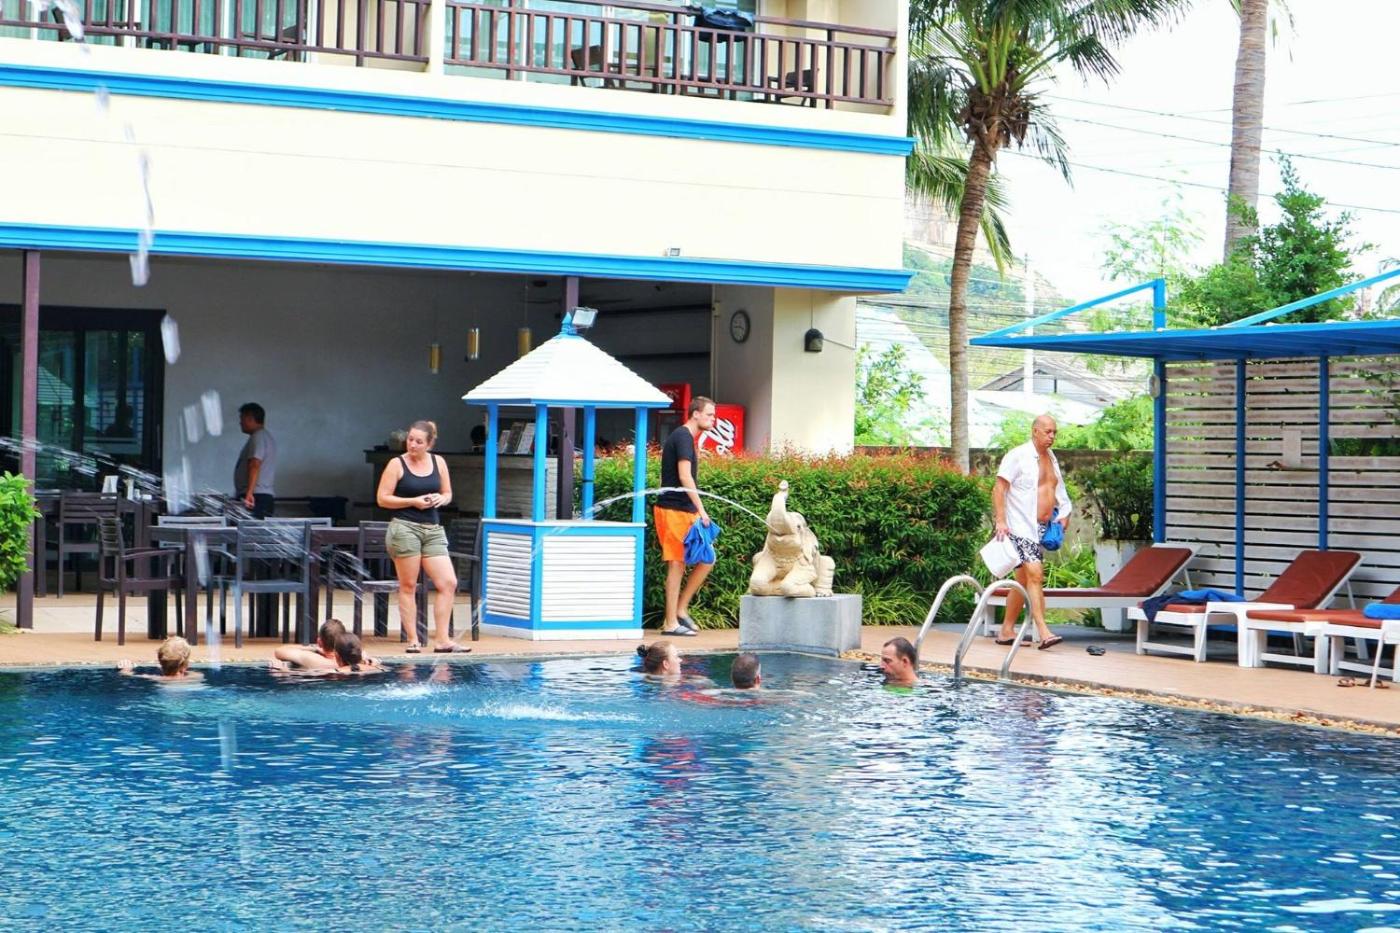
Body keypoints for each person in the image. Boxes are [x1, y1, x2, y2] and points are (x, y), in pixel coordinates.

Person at [375, 420, 467, 654]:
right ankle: (413, 640)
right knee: (408, 585)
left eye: (418, 441)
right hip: (405, 527)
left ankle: (443, 640)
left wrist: (441, 499)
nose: (412, 445)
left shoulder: (438, 462)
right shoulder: (397, 464)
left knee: (448, 582)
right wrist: (412, 501)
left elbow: (447, 492)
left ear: (429, 444)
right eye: (410, 439)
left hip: (433, 528)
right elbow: (383, 498)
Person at [992, 414, 1072, 651]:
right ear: (1035, 431)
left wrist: (1064, 512)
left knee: (1024, 579)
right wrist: (1001, 521)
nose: (1052, 436)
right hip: (1019, 526)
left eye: (1054, 432)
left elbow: (1057, 489)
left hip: (1042, 528)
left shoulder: (1051, 458)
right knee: (1035, 574)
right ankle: (1044, 632)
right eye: (1048, 432)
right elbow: (999, 488)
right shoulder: (1017, 456)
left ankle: (1006, 631)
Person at [654, 396, 717, 637]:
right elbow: (685, 476)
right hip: (673, 510)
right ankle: (670, 623)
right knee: (677, 564)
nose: (713, 419)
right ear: (695, 414)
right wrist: (702, 509)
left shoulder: (687, 438)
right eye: (709, 414)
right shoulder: (682, 436)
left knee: (708, 557)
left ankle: (680, 609)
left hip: (684, 510)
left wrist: (695, 510)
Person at [269, 619, 367, 672]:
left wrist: (311, 648)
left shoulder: (312, 659)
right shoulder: (360, 657)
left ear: (319, 642)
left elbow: (279, 651)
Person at [234, 402, 277, 518]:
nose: (240, 423)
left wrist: (249, 493)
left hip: (255, 497)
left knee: (249, 529)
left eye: (242, 419)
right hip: (257, 495)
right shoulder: (263, 436)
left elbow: (255, 464)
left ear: (250, 419)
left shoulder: (259, 437)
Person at [117, 635, 203, 682]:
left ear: (160, 662)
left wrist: (126, 669)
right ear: (186, 665)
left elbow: (128, 675)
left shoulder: (155, 678)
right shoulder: (196, 677)